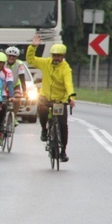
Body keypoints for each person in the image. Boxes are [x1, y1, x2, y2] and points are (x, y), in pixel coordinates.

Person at [26, 34, 76, 162]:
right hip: (45, 96)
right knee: (42, 109)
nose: (56, 58)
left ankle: (63, 150)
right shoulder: (46, 63)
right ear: (51, 55)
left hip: (60, 99)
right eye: (54, 55)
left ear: (63, 56)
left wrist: (71, 97)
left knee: (63, 125)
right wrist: (33, 47)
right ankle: (44, 129)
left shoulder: (66, 68)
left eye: (59, 56)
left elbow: (68, 83)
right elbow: (31, 60)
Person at [0, 52, 15, 148]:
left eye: (1, 62)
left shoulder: (7, 72)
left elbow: (10, 84)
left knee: (4, 106)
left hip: (3, 94)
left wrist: (12, 96)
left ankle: (0, 125)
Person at [4, 46, 28, 124]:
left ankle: (14, 116)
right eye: (9, 55)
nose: (11, 57)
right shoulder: (3, 63)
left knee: (17, 100)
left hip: (15, 85)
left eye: (13, 56)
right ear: (6, 55)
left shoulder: (20, 64)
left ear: (16, 57)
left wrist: (25, 91)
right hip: (4, 85)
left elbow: (22, 78)